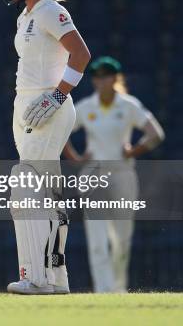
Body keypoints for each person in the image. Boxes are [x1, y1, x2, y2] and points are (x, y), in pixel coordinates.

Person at [0, 0, 91, 294]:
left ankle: (35, 277)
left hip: (48, 104)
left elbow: (81, 54)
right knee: (48, 193)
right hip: (27, 104)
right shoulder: (26, 16)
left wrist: (58, 94)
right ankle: (56, 277)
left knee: (26, 184)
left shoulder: (52, 10)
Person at [63, 56, 165, 293]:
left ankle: (118, 290)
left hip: (122, 173)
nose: (101, 81)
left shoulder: (128, 105)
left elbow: (156, 134)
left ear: (115, 79)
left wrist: (134, 150)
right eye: (97, 77)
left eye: (106, 76)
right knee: (98, 241)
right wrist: (75, 158)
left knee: (121, 240)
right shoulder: (87, 106)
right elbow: (62, 130)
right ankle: (103, 292)